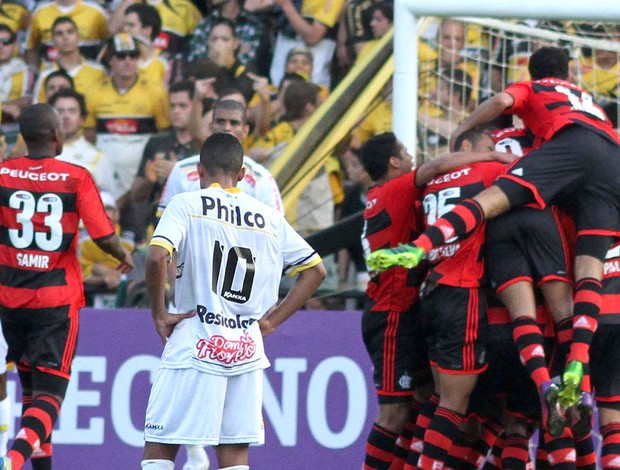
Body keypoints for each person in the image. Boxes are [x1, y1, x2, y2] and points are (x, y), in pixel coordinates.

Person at [367, 46, 620, 421]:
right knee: (587, 274)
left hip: (521, 215)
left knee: (489, 204)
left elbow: (503, 99)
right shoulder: (591, 104)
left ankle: (420, 246)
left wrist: (463, 127)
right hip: (609, 164)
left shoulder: (523, 109)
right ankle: (577, 372)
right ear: (569, 73)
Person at [141, 132, 326, 470]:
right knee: (235, 456)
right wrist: (272, 321)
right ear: (242, 174)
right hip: (245, 349)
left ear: (198, 171)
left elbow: (155, 258)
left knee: (160, 448)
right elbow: (316, 270)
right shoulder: (268, 216)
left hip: (195, 340)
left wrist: (159, 313)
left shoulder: (186, 204)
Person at [359, 131, 515, 469]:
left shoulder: (396, 197)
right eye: (405, 152)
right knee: (397, 413)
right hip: (393, 313)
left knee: (423, 402)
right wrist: (496, 158)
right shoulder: (397, 189)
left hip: (417, 303)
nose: (412, 157)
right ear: (393, 161)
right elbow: (438, 165)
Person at [0, 103, 132, 470]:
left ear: (24, 138)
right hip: (56, 302)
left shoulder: (2, 174)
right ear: (57, 136)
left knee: (30, 393)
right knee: (50, 396)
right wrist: (124, 255)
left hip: (9, 301)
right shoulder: (76, 177)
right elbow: (104, 235)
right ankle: (10, 460)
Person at [159, 99, 283, 217]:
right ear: (211, 126)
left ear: (245, 130)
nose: (227, 127)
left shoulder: (261, 178)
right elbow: (165, 218)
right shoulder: (181, 170)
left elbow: (276, 226)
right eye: (220, 121)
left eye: (234, 123)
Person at [130, 81, 200, 241]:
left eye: (183, 106)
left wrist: (177, 172)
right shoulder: (157, 142)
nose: (176, 111)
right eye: (173, 106)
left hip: (195, 226)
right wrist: (149, 179)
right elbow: (136, 196)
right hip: (159, 225)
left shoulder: (204, 143)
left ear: (196, 107)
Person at [49, 88, 116, 195]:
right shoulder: (34, 153)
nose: (66, 116)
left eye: (72, 111)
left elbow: (108, 201)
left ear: (82, 119)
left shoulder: (96, 158)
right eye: (60, 111)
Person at [31, 16, 107, 104]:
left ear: (78, 36)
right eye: (59, 34)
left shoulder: (98, 71)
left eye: (70, 32)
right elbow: (38, 110)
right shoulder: (45, 75)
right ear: (53, 41)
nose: (65, 37)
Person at [25, 0, 109, 65]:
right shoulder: (40, 12)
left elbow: (109, 41)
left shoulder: (96, 12)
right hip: (50, 73)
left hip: (88, 74)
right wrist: (35, 71)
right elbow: (31, 46)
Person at [0, 24, 32, 123]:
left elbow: (27, 101)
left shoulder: (26, 71)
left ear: (14, 46)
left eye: (6, 42)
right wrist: (4, 107)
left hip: (14, 125)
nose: (1, 46)